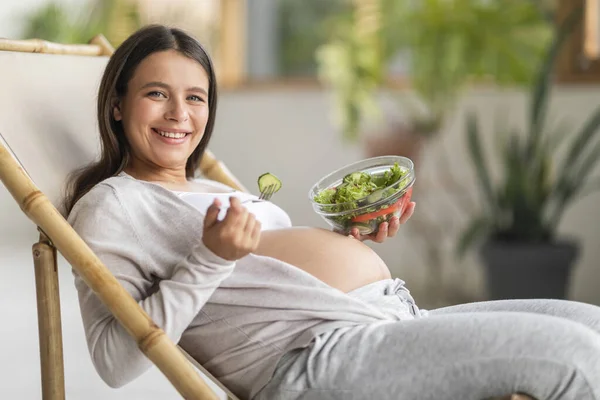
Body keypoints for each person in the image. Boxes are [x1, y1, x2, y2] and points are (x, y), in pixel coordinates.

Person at [62, 25, 600, 400]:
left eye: (196, 97)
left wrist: (347, 240)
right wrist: (208, 257)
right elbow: (114, 364)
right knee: (575, 357)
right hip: (315, 360)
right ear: (117, 104)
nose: (180, 114)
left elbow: (267, 275)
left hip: (388, 318)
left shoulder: (204, 185)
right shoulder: (113, 205)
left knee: (591, 324)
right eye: (157, 94)